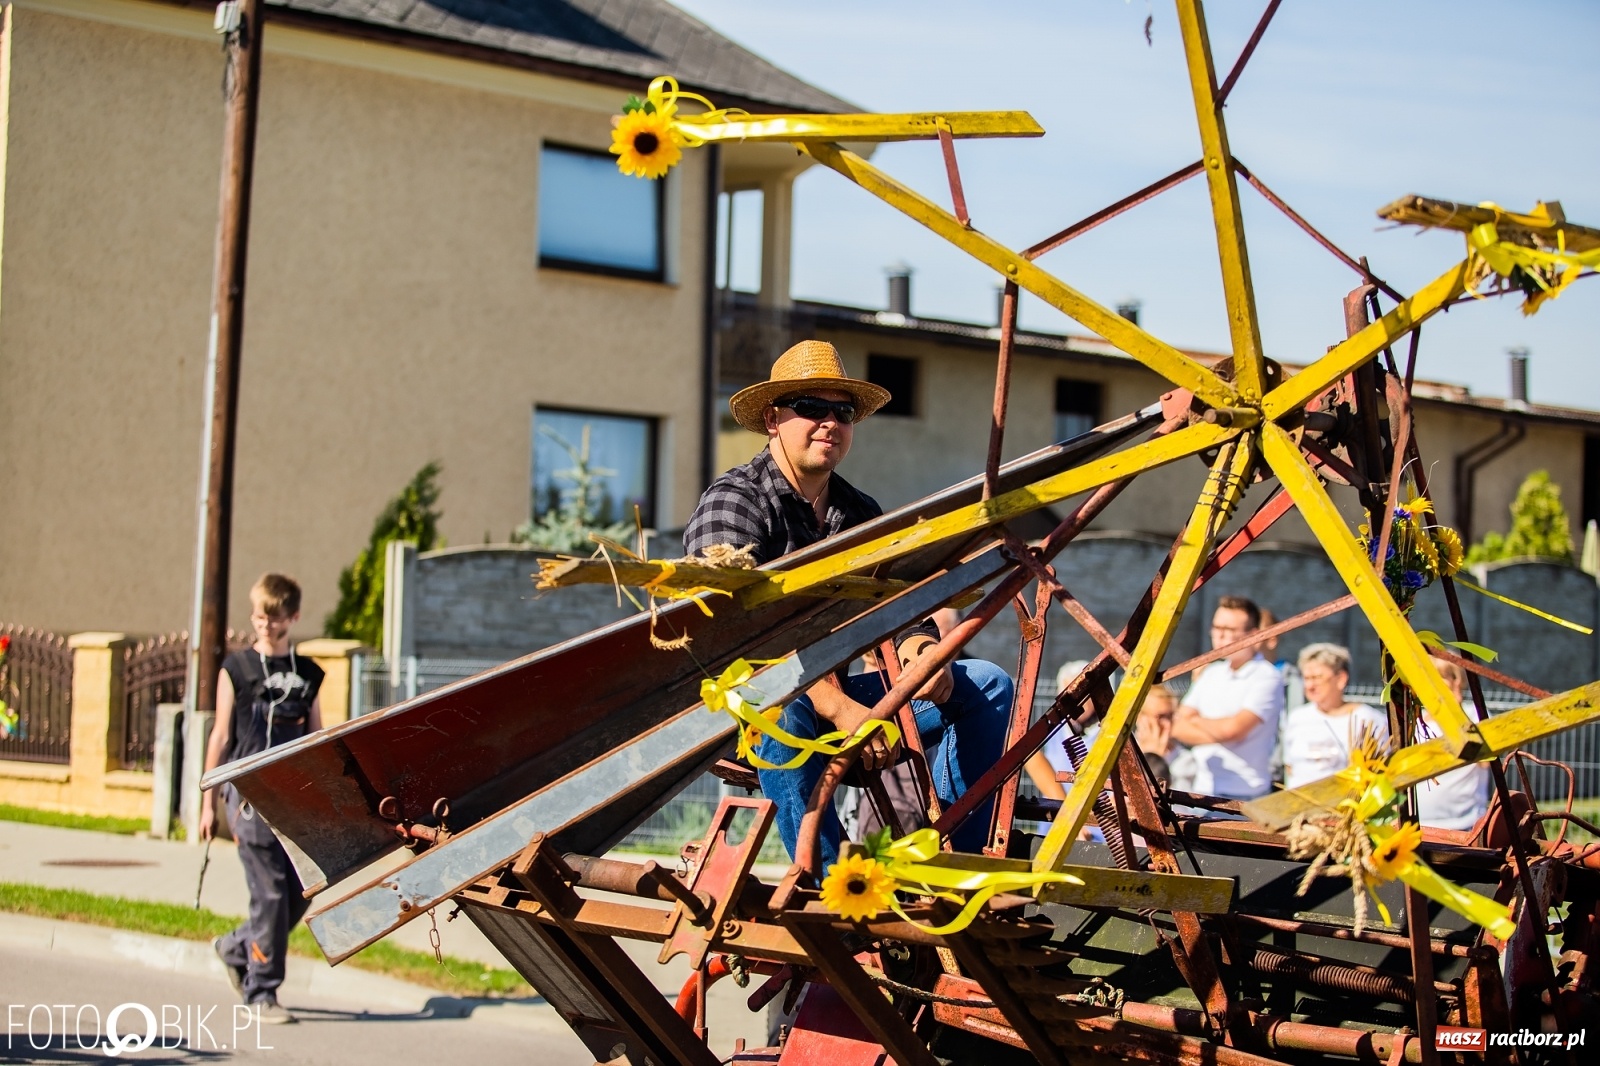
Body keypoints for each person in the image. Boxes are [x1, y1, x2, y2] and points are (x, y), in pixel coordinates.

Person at [685, 340, 1013, 864]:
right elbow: (736, 643)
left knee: (988, 684)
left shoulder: (859, 512)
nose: (829, 423)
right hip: (745, 714)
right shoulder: (735, 501)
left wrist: (920, 648)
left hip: (841, 702)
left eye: (843, 412)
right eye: (811, 408)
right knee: (786, 711)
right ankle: (834, 887)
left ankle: (958, 861)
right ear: (773, 419)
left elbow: (899, 602)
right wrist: (839, 709)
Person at [199, 573, 325, 1024]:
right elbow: (219, 735)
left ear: (292, 618)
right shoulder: (236, 669)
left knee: (301, 892)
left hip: (292, 800)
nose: (264, 626)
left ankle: (234, 948)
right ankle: (261, 992)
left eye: (273, 618)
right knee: (271, 894)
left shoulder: (309, 675)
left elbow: (314, 736)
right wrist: (207, 803)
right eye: (258, 617)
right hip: (247, 797)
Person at [1171, 595, 1283, 801]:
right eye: (1217, 628)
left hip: (1244, 795)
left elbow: (1233, 730)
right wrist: (1219, 731)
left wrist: (1195, 721)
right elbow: (1176, 726)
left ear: (1253, 635)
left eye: (1230, 630)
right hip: (1201, 789)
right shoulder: (1212, 672)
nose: (1220, 636)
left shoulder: (1267, 676)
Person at [1281, 644, 1388, 790]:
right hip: (1297, 806)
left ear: (1341, 679)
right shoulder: (1297, 717)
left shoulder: (1367, 719)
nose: (1310, 685)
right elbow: (1289, 767)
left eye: (1318, 677)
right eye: (1306, 678)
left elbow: (1379, 770)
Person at [1416, 659, 1490, 830]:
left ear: (1457, 681)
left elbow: (1485, 762)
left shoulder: (1474, 715)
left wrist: (1454, 709)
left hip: (1465, 824)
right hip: (1421, 825)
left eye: (1442, 676)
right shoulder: (1418, 722)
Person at [1133, 683, 1195, 793]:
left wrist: (1155, 761)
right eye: (1160, 717)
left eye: (1170, 716)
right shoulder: (1122, 752)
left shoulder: (1185, 760)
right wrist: (1151, 757)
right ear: (1139, 717)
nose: (1167, 725)